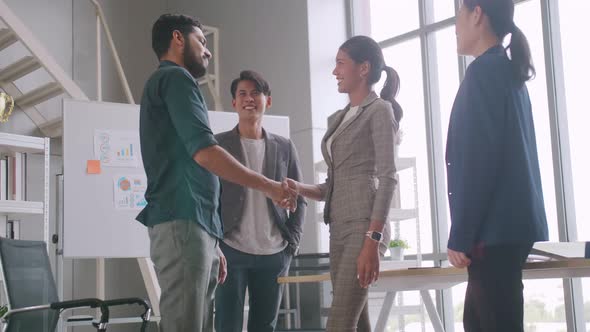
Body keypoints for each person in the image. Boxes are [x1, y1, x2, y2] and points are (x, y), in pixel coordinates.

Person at [137, 14, 296, 332]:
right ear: (178, 39)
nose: (207, 51)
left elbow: (192, 161)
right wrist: (267, 185)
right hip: (183, 222)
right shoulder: (176, 80)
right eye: (202, 42)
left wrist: (211, 240)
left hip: (196, 227)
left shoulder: (172, 83)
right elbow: (205, 153)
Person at [286, 35, 403, 332]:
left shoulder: (379, 111)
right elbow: (333, 186)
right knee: (355, 320)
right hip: (339, 228)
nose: (334, 71)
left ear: (363, 68)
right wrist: (298, 188)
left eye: (341, 63)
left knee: (339, 323)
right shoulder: (338, 118)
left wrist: (372, 240)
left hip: (364, 228)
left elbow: (388, 177)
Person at [446, 1, 549, 331]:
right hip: (508, 230)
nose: (456, 26)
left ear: (477, 14)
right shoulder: (506, 70)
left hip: (492, 233)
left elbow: (478, 162)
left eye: (458, 16)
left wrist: (461, 234)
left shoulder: (483, 73)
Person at [214, 70, 307, 332]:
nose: (249, 98)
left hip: (274, 253)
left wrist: (292, 242)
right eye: (242, 93)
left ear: (268, 100)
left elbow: (299, 197)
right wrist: (214, 243)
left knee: (265, 325)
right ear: (234, 103)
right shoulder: (218, 145)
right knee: (226, 324)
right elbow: (207, 197)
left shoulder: (284, 146)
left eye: (256, 93)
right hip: (230, 249)